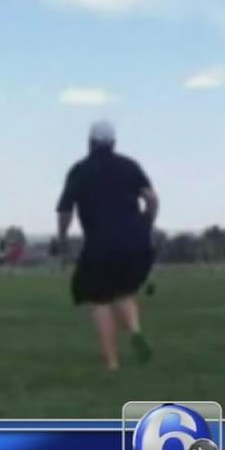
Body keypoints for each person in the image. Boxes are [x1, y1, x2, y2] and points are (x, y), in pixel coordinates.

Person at [55, 121, 157, 370]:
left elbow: (65, 210)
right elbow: (151, 198)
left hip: (100, 244)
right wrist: (146, 223)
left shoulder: (80, 170)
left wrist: (63, 237)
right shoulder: (129, 166)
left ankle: (112, 363)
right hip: (134, 242)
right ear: (113, 143)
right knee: (124, 291)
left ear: (89, 142)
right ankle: (134, 330)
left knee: (99, 300)